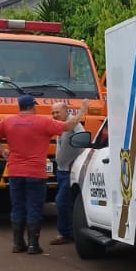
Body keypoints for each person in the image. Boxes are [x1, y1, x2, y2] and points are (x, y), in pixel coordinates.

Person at [0, 95, 84, 254]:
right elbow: (69, 125)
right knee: (34, 207)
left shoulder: (8, 121)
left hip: (15, 171)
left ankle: (18, 244)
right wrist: (82, 111)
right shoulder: (43, 122)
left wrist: (3, 150)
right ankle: (33, 245)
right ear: (32, 106)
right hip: (36, 172)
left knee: (17, 206)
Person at [48, 101, 86, 246]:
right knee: (67, 202)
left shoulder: (73, 123)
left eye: (57, 112)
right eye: (53, 112)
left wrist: (79, 162)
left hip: (70, 171)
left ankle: (66, 233)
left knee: (61, 201)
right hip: (61, 170)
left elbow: (83, 139)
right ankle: (71, 232)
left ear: (66, 111)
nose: (55, 115)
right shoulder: (62, 125)